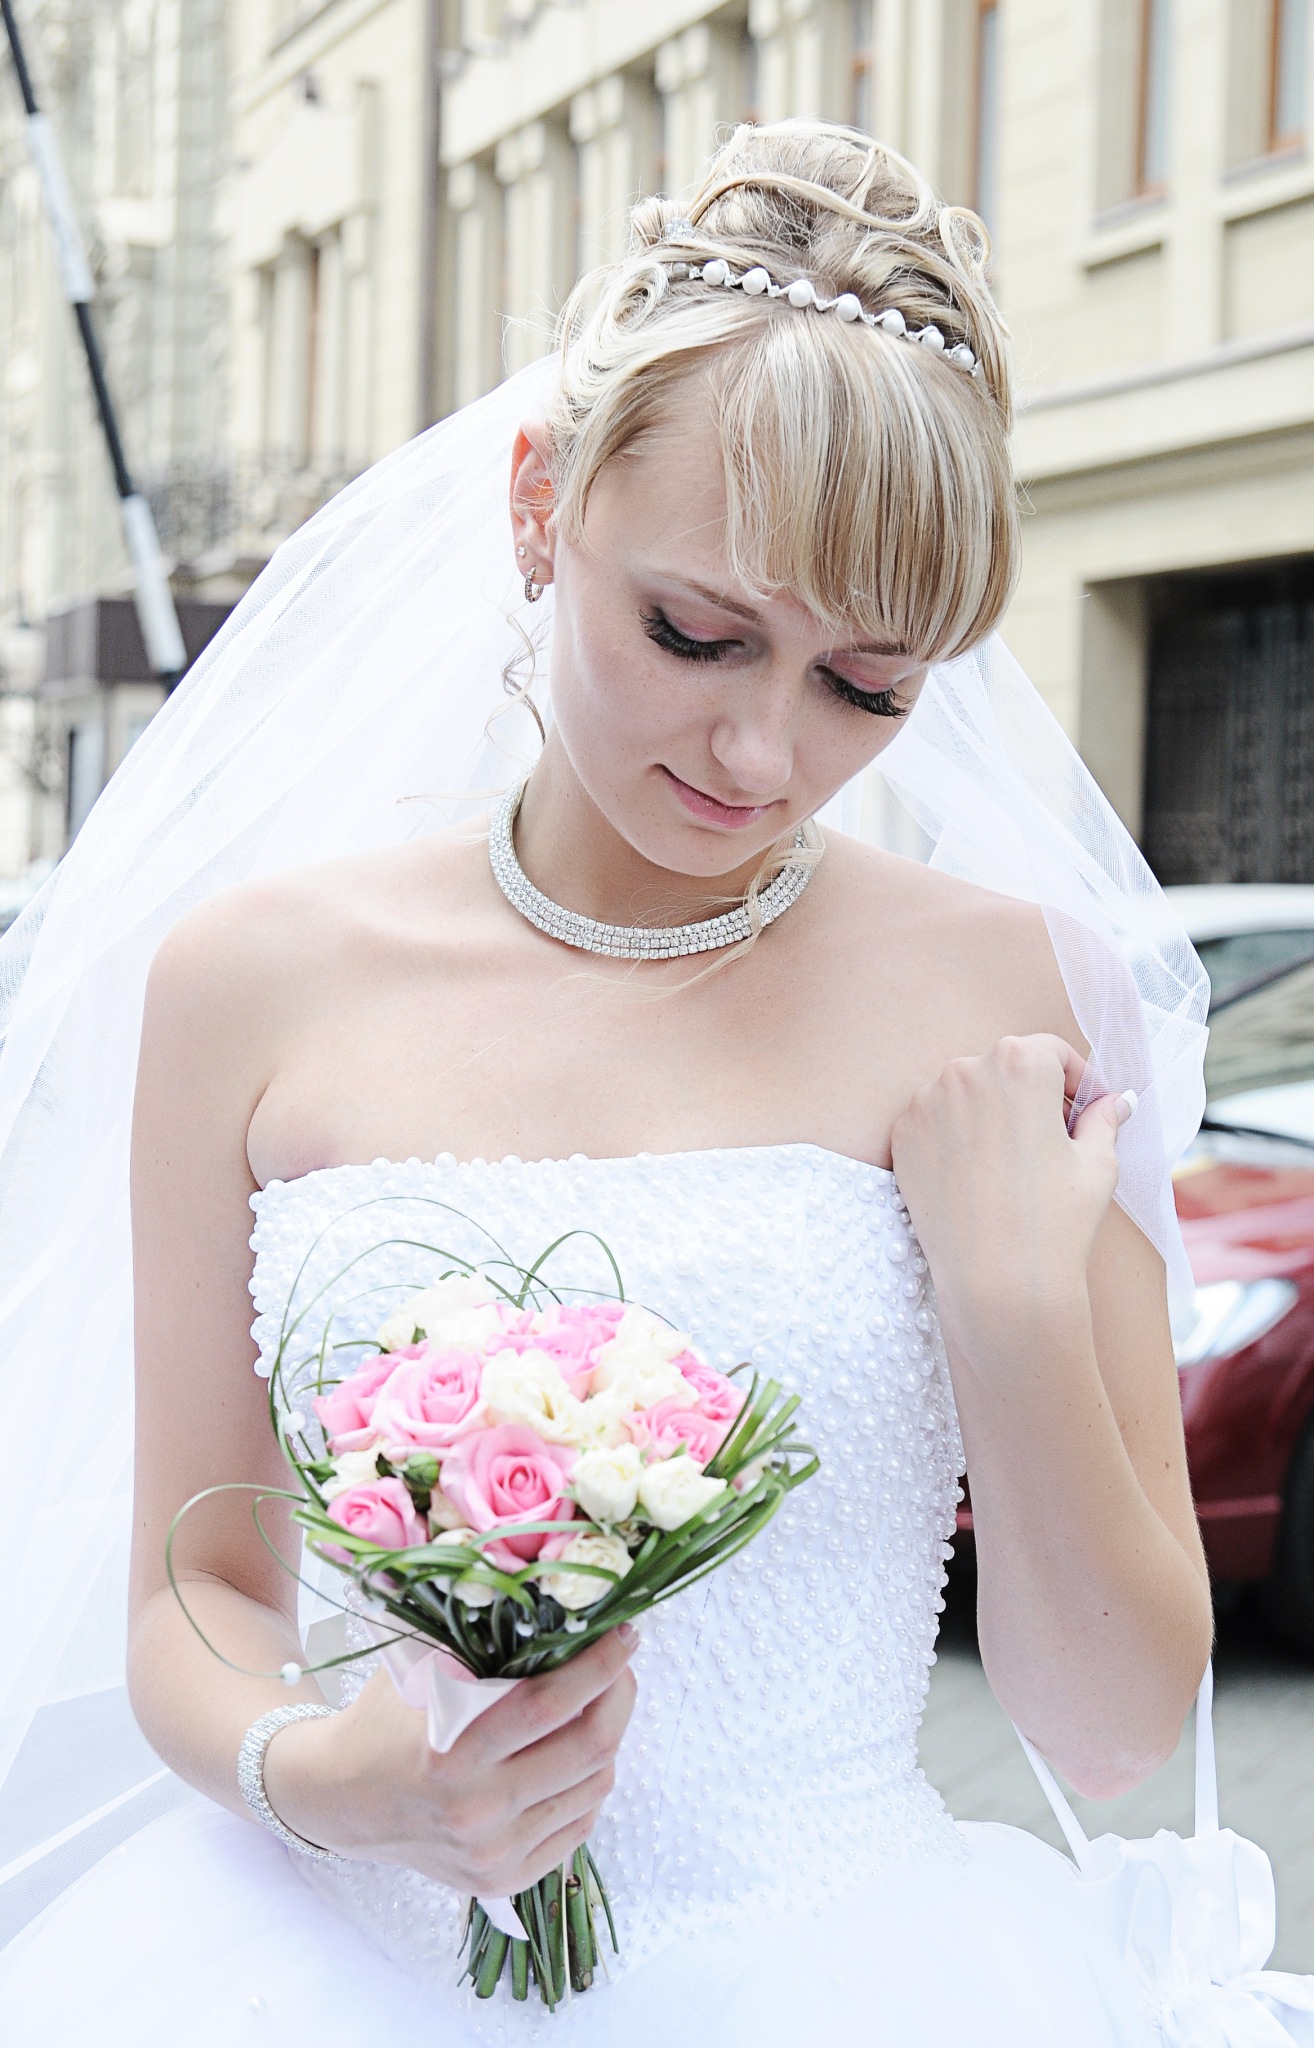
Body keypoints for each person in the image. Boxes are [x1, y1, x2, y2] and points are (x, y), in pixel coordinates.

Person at [0, 121, 1307, 2046]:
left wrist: (1012, 1302)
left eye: (866, 686)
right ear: (541, 505)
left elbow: (1112, 1732)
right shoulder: (248, 984)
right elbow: (195, 1582)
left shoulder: (1022, 994)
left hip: (846, 1970)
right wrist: (328, 1772)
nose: (761, 754)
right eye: (696, 633)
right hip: (324, 1962)